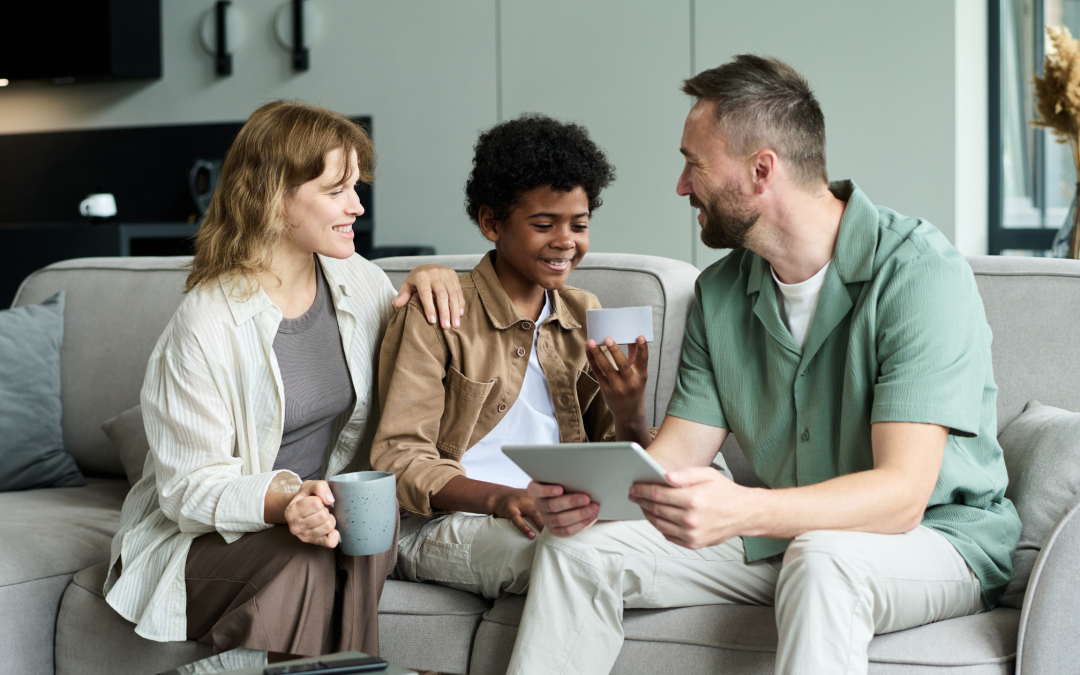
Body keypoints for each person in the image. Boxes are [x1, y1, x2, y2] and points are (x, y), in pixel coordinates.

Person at [507, 55, 1022, 675]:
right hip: (790, 534)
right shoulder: (721, 294)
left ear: (761, 170)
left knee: (824, 558)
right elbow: (674, 463)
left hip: (936, 541)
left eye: (694, 163)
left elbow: (902, 497)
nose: (680, 185)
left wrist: (746, 509)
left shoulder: (918, 273)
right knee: (577, 549)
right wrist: (589, 497)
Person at [102, 100, 465, 670]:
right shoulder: (206, 322)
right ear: (273, 197)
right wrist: (285, 504)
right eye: (336, 190)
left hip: (320, 523)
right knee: (309, 555)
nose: (357, 205)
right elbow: (185, 492)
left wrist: (431, 276)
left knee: (367, 518)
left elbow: (421, 363)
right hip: (207, 539)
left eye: (356, 187)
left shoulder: (360, 281)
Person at [370, 114, 652, 600]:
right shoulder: (439, 310)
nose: (566, 241)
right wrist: (502, 499)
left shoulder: (586, 313)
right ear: (491, 223)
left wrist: (630, 413)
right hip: (448, 522)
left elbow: (617, 456)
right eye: (544, 224)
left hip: (560, 515)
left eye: (579, 225)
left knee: (625, 549)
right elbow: (399, 459)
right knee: (575, 563)